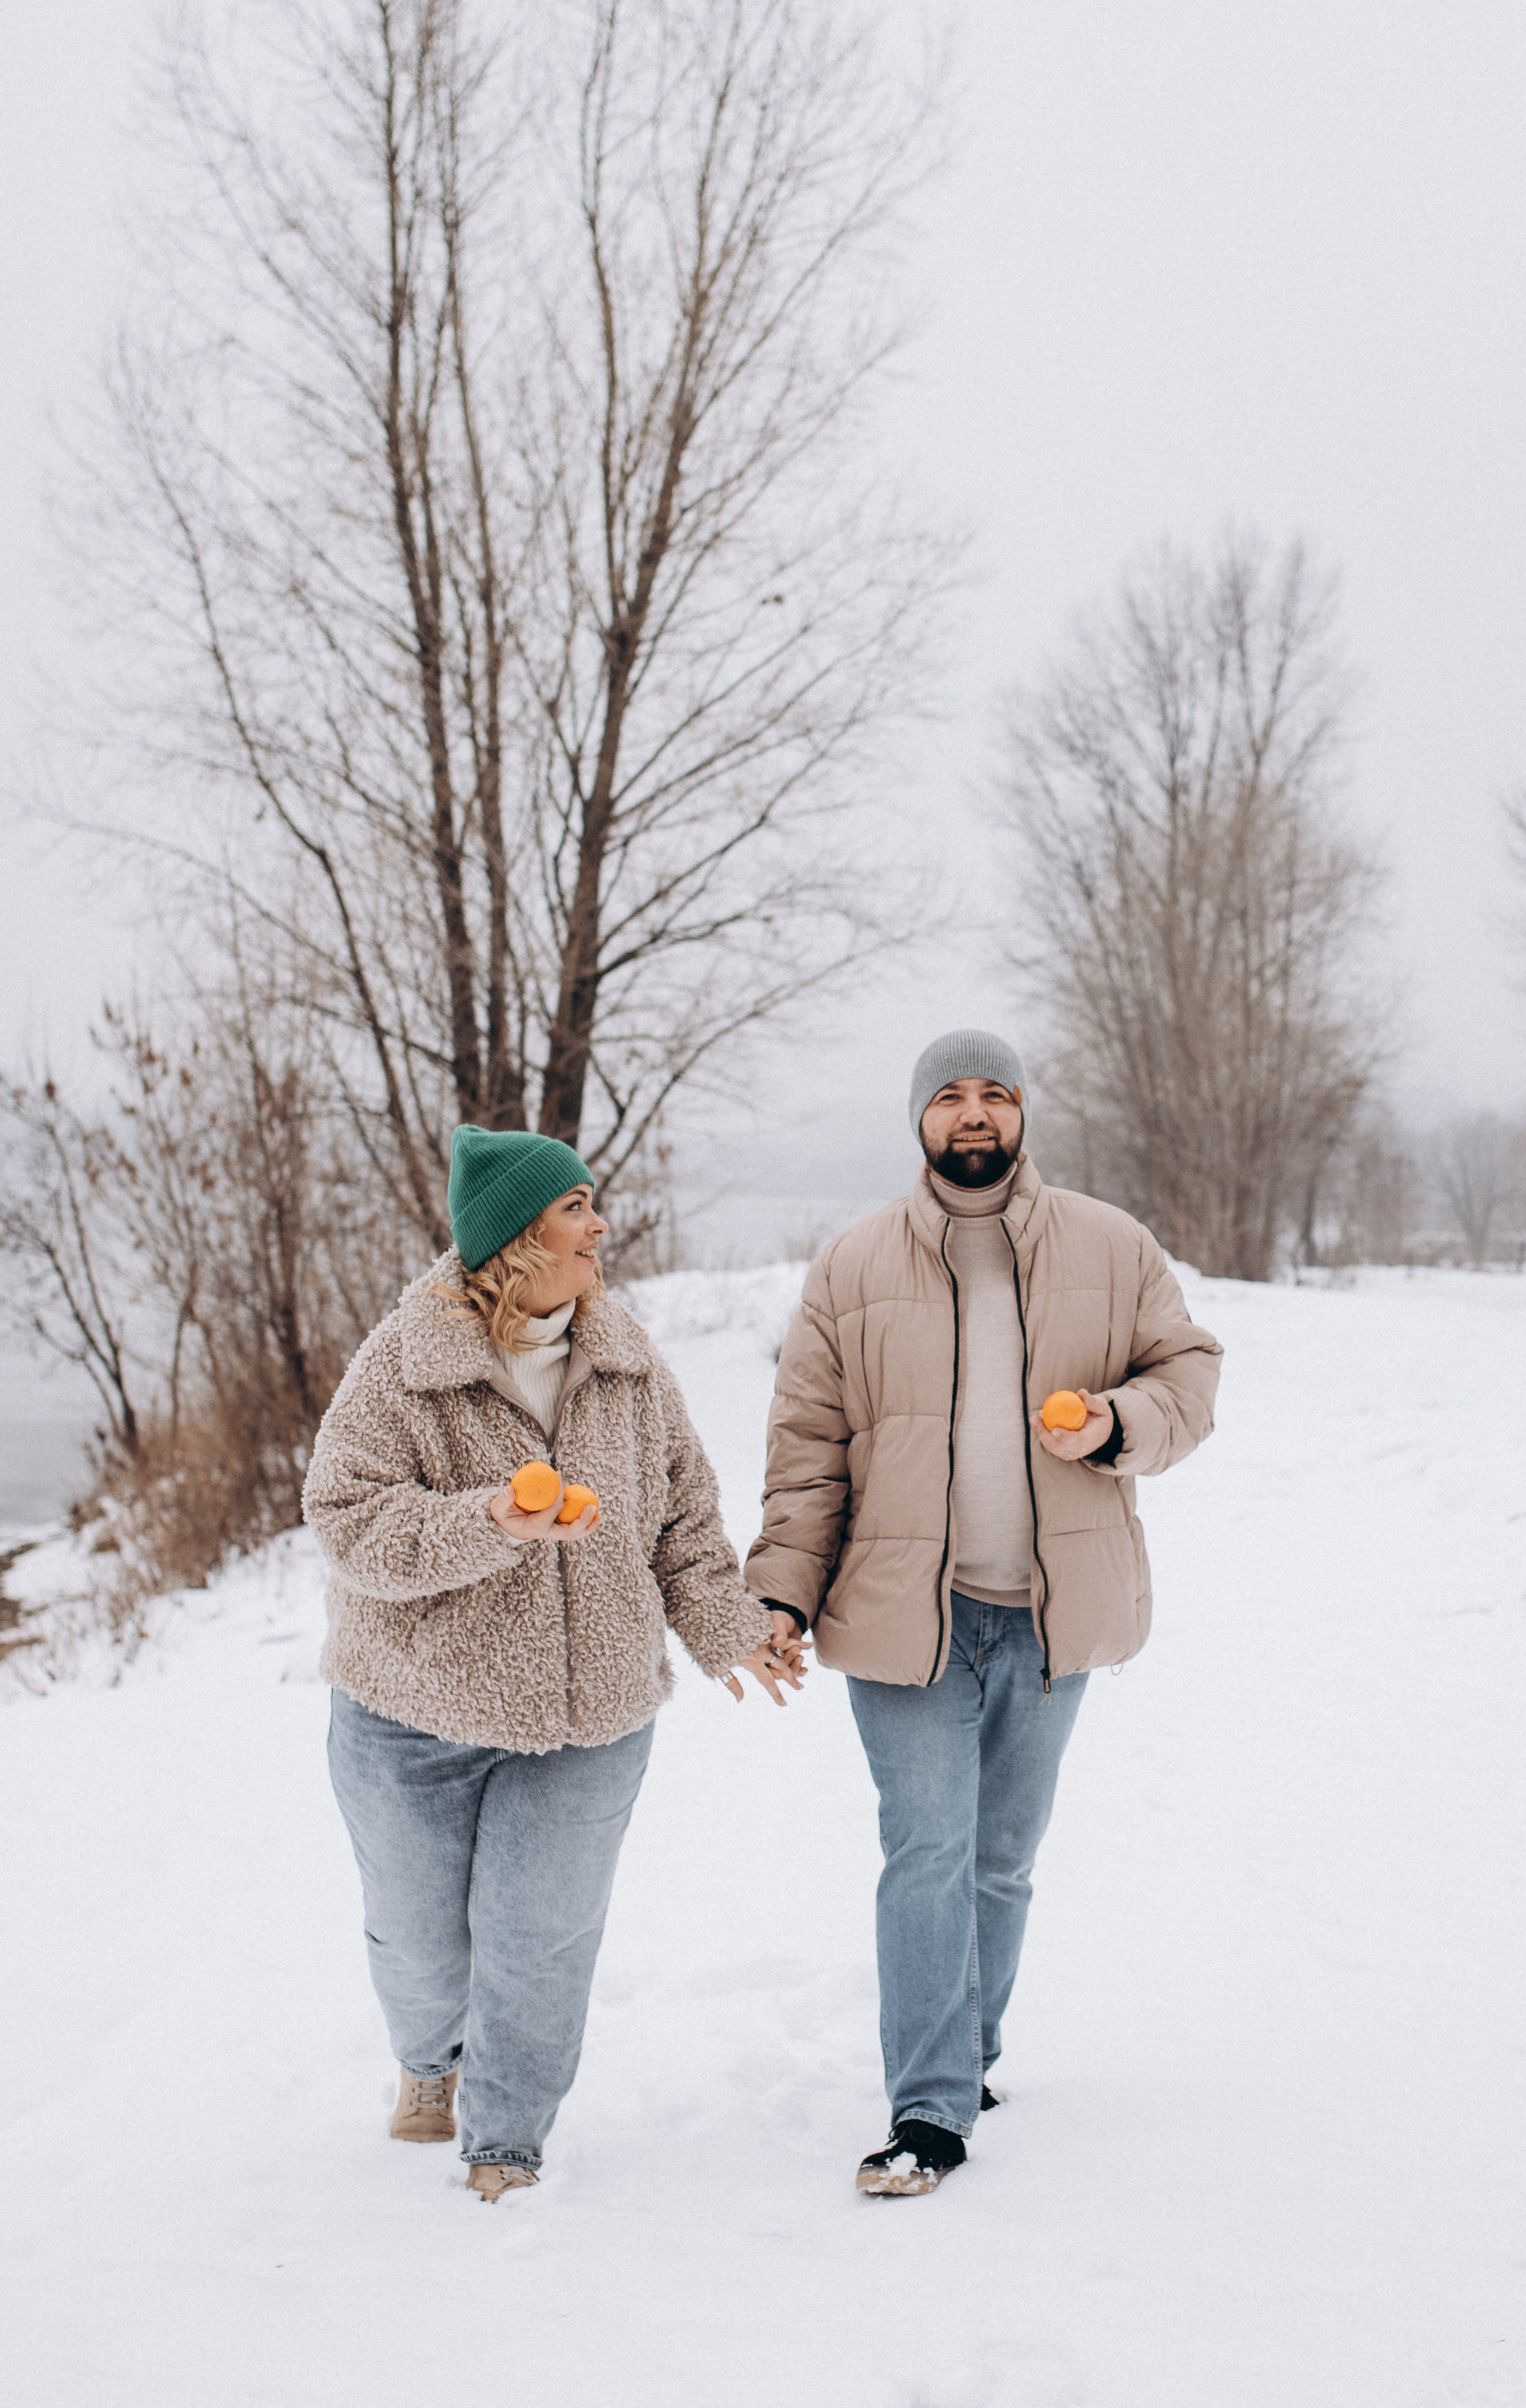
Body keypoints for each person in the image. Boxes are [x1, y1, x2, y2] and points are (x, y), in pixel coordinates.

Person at [746, 1030, 1223, 2196]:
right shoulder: (852, 1265)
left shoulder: (1110, 1245)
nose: (972, 1113)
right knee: (927, 1852)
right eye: (949, 1095)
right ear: (918, 1119)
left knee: (1001, 1860)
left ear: (1020, 1115)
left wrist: (1116, 1422)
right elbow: (806, 1449)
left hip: (1052, 1616)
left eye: (992, 1094)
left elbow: (1189, 1376)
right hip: (912, 1618)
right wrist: (781, 1591)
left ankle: (968, 2053)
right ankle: (928, 2108)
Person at [305, 1125, 806, 2202]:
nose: (601, 1224)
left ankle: (506, 2138)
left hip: (590, 1714)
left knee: (540, 1941)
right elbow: (348, 1522)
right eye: (577, 1208)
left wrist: (729, 1628)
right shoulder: (405, 1365)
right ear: (517, 1238)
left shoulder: (625, 1360)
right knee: (421, 1945)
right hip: (411, 1714)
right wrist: (493, 1519)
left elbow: (682, 1516)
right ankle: (430, 2061)